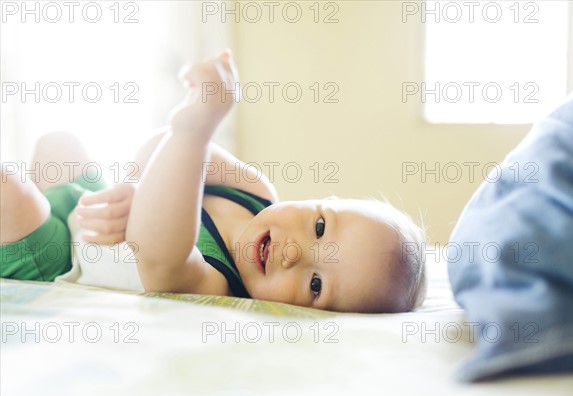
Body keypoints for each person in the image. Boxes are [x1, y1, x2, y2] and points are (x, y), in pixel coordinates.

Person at [0, 50, 426, 313]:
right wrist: (134, 185)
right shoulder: (255, 191)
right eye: (319, 228)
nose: (294, 252)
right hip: (91, 204)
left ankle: (16, 229)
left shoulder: (218, 284)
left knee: (10, 187)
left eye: (316, 285)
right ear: (325, 198)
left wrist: (194, 131)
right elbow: (155, 150)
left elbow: (158, 253)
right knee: (59, 143)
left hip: (59, 257)